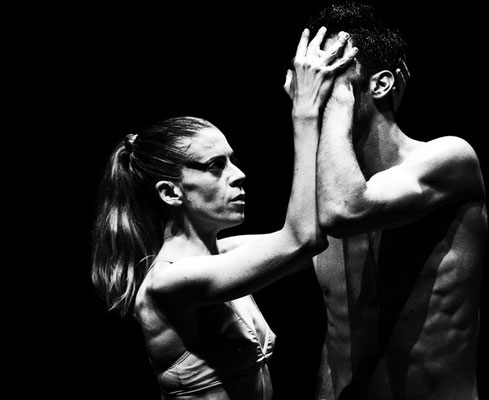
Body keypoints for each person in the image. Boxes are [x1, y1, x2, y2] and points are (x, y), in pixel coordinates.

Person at [90, 27, 357, 400]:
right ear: (170, 193)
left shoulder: (224, 253)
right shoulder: (170, 282)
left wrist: (331, 105)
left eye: (232, 160)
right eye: (216, 166)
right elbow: (301, 240)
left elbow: (320, 231)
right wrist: (304, 112)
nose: (239, 174)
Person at [303, 3, 488, 399]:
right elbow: (337, 340)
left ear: (381, 84)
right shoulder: (325, 189)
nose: (310, 83)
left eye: (328, 69)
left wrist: (338, 97)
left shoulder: (449, 159)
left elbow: (347, 210)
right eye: (307, 69)